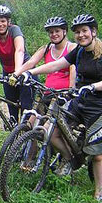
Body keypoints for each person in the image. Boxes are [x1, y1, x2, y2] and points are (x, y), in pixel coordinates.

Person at [21, 14, 102, 203]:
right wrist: (30, 72)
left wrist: (93, 86)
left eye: (84, 31)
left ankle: (99, 194)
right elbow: (56, 65)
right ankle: (71, 159)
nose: (81, 35)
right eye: (78, 32)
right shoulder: (79, 52)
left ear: (93, 31)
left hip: (99, 104)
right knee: (53, 130)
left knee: (98, 152)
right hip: (79, 101)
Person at [10, 17, 77, 175]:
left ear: (65, 31)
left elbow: (73, 69)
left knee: (52, 130)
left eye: (57, 31)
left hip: (64, 96)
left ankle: (68, 158)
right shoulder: (47, 48)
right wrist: (17, 73)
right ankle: (30, 159)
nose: (54, 34)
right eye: (51, 32)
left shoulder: (72, 47)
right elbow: (32, 62)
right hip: (47, 93)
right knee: (31, 123)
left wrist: (71, 90)